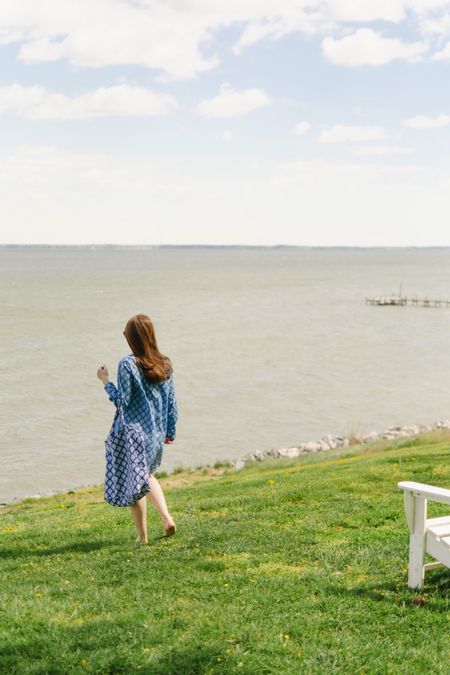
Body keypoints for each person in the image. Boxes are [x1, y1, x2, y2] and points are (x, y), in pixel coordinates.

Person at [96, 313, 178, 544]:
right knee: (147, 475)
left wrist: (105, 381)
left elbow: (123, 401)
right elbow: (172, 402)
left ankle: (142, 537)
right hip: (156, 432)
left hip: (134, 434)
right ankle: (166, 518)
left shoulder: (128, 364)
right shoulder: (164, 363)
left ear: (131, 337)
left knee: (136, 481)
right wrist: (170, 431)